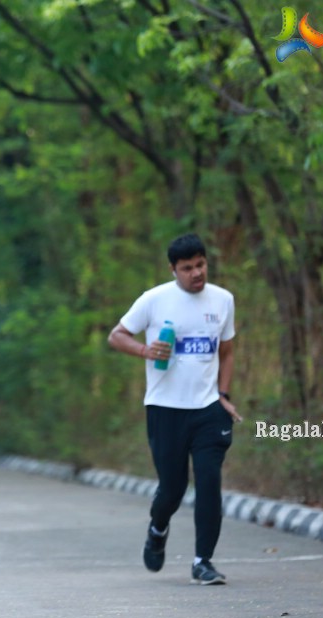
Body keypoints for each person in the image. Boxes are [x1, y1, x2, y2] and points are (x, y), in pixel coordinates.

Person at [106, 233, 242, 585]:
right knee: (172, 488)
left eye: (201, 265)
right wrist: (144, 351)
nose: (197, 273)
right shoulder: (154, 300)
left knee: (209, 483)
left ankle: (203, 561)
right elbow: (116, 335)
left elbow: (226, 352)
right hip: (165, 409)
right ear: (173, 270)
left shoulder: (223, 300)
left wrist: (223, 393)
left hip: (208, 408)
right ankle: (158, 526)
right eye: (187, 268)